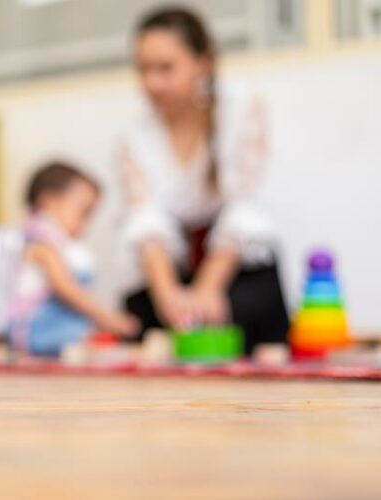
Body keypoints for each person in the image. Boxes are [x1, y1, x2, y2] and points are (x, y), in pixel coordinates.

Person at [120, 8, 290, 356]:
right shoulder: (135, 133)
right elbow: (146, 220)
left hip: (232, 264)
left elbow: (244, 205)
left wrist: (207, 289)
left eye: (165, 68)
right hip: (174, 268)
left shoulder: (240, 106)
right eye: (143, 69)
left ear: (203, 63)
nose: (152, 83)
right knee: (142, 313)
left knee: (243, 310)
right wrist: (169, 296)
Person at [8, 161, 139, 357]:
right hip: (35, 328)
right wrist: (106, 317)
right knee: (88, 334)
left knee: (88, 331)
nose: (86, 224)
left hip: (59, 322)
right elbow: (65, 288)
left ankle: (88, 343)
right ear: (49, 202)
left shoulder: (63, 246)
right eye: (83, 212)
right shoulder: (41, 242)